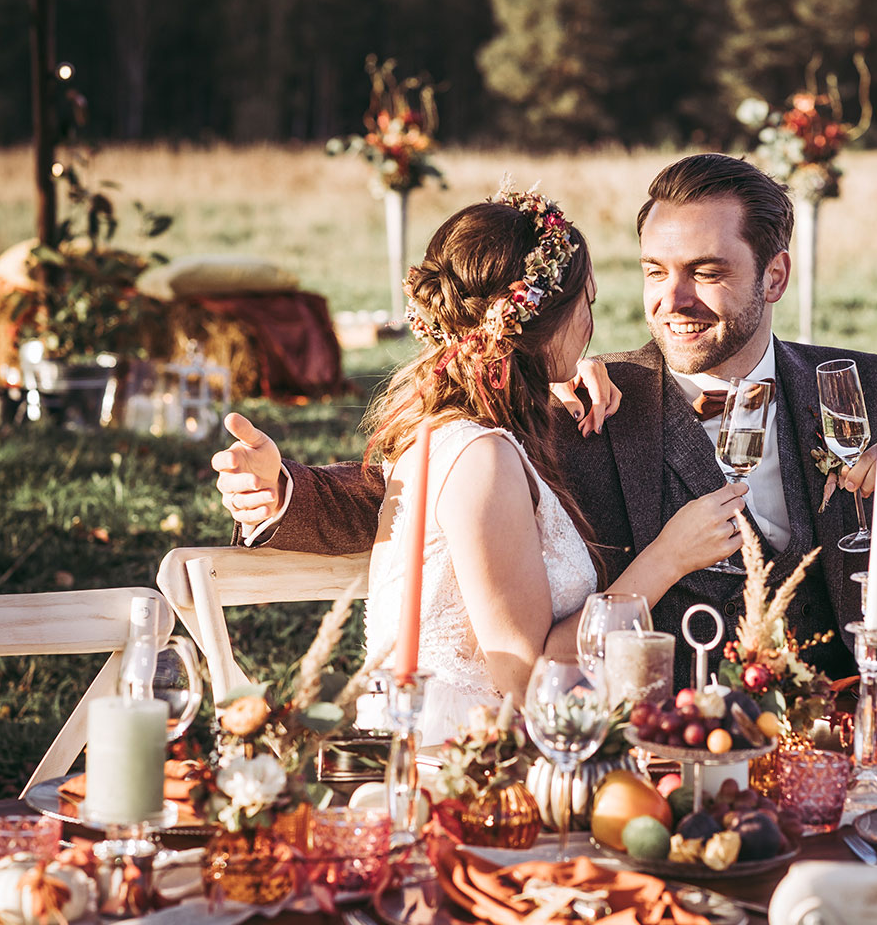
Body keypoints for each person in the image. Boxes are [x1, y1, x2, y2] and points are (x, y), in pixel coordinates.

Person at [214, 154, 877, 688]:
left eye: (707, 273)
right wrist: (284, 490)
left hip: (847, 725)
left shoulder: (856, 386)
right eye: (656, 271)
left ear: (775, 274)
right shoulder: (587, 399)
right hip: (663, 736)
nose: (671, 302)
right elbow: (426, 497)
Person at [266, 186, 748, 743]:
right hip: (465, 765)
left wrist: (554, 385)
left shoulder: (464, 436)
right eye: (585, 303)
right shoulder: (481, 457)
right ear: (546, 320)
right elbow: (529, 678)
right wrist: (669, 558)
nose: (593, 326)